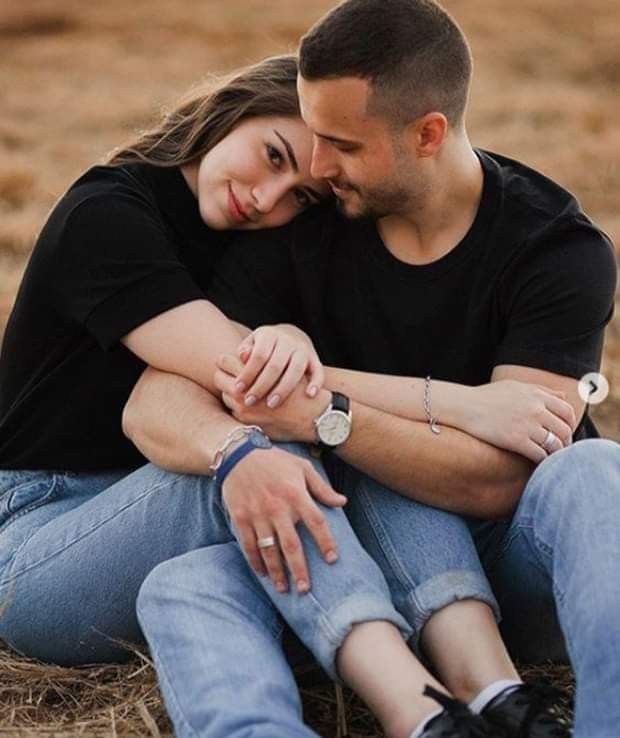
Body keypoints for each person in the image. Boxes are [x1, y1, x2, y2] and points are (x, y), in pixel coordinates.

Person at [0, 51, 568, 738]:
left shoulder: (249, 243)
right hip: (36, 534)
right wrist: (463, 403)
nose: (266, 199)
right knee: (287, 434)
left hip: (149, 510)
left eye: (299, 193)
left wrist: (295, 336)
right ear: (232, 108)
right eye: (272, 155)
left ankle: (486, 690)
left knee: (352, 436)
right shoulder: (108, 215)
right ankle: (417, 709)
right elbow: (254, 383)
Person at [126, 1, 619, 738]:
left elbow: (499, 478)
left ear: (428, 134)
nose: (316, 167)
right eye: (310, 133)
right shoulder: (309, 222)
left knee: (593, 473)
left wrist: (326, 412)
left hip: (514, 575)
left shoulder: (554, 247)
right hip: (343, 564)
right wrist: (239, 449)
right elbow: (157, 397)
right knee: (185, 584)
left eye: (341, 144)